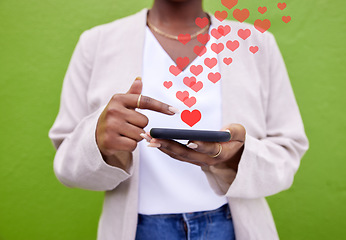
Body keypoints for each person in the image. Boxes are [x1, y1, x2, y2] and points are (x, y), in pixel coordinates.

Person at [49, 0, 309, 239]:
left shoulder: (256, 42)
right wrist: (99, 142)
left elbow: (288, 153)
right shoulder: (96, 44)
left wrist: (237, 157)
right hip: (138, 230)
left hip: (232, 227)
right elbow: (66, 164)